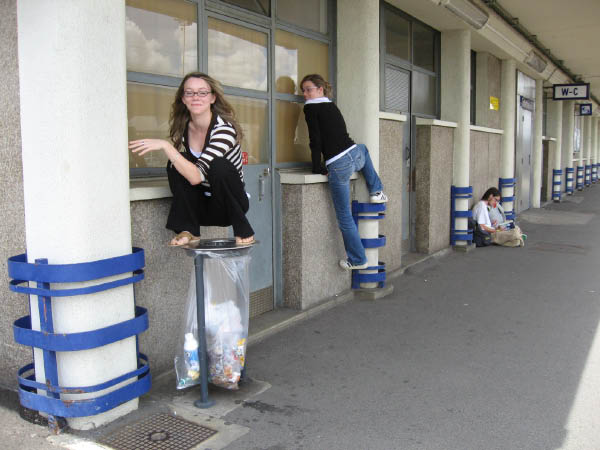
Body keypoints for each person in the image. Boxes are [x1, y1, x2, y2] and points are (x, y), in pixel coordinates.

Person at [129, 72, 254, 246]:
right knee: (178, 162)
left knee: (218, 166)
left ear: (212, 98)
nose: (196, 97)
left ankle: (242, 227)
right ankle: (188, 229)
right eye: (190, 92)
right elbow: (190, 177)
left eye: (202, 92)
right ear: (183, 98)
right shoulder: (185, 127)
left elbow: (196, 176)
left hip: (229, 207)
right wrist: (174, 155)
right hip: (202, 207)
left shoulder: (224, 130)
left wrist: (166, 146)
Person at [301, 74, 388, 270]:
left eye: (309, 89)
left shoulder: (310, 108)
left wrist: (317, 167)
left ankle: (358, 260)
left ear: (320, 89)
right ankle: (377, 191)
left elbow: (315, 140)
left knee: (344, 217)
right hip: (354, 154)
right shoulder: (331, 105)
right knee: (364, 148)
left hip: (338, 164)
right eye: (303, 91)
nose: (305, 94)